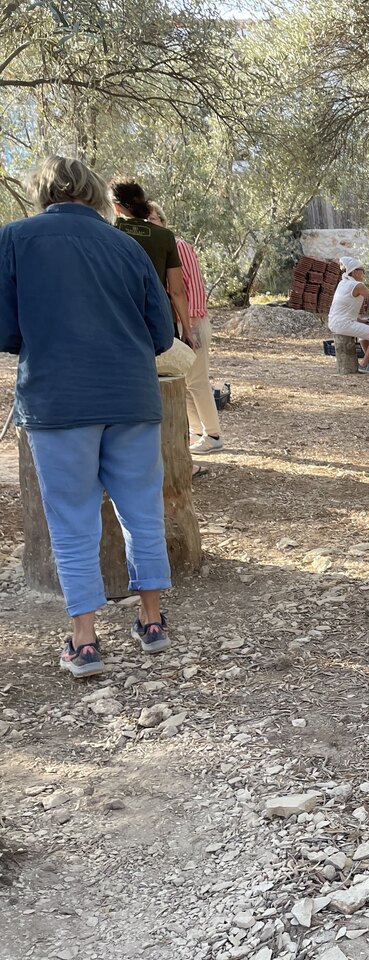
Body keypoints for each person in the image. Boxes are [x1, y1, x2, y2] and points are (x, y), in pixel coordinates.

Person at [0, 155, 178, 678]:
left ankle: (84, 642)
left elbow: (6, 330)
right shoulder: (128, 245)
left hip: (58, 399)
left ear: (43, 192)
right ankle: (152, 623)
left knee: (72, 519)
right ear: (95, 193)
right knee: (142, 510)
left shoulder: (14, 239)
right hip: (131, 395)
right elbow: (161, 333)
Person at [146, 201, 223, 454]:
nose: (149, 224)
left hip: (191, 321)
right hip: (174, 323)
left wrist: (191, 324)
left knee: (197, 380)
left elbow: (195, 287)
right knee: (185, 381)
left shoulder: (179, 246)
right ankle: (196, 431)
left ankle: (213, 434)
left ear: (162, 221)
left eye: (153, 219)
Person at [109, 179, 194, 349]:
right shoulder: (165, 236)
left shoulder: (108, 232)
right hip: (159, 320)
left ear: (116, 206)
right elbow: (177, 291)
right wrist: (187, 330)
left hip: (118, 320)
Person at [328, 256, 369, 373]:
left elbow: (343, 306)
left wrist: (358, 319)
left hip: (335, 322)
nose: (363, 273)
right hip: (343, 324)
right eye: (362, 270)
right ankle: (364, 364)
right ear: (354, 272)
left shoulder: (343, 283)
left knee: (364, 332)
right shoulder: (358, 286)